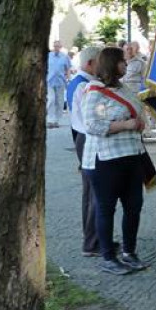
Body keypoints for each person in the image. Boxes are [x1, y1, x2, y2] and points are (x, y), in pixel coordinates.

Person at [80, 47, 149, 276]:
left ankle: (129, 251)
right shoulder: (94, 92)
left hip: (132, 155)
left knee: (133, 206)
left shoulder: (125, 88)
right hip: (106, 160)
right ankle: (108, 256)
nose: (126, 64)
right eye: (121, 61)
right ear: (111, 64)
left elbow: (139, 110)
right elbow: (92, 124)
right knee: (106, 208)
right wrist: (125, 125)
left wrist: (140, 121)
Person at [69, 44, 102, 256]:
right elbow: (94, 118)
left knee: (90, 192)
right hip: (89, 138)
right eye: (100, 62)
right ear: (90, 64)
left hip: (83, 137)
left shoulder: (79, 82)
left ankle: (93, 238)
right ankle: (92, 242)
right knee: (95, 193)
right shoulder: (85, 86)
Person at [46, 40, 72, 128]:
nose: (56, 48)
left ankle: (56, 120)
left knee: (59, 101)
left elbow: (68, 68)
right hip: (49, 81)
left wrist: (68, 78)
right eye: (55, 46)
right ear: (53, 47)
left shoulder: (65, 57)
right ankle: (50, 119)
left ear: (61, 47)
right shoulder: (48, 56)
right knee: (51, 100)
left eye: (58, 46)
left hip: (60, 82)